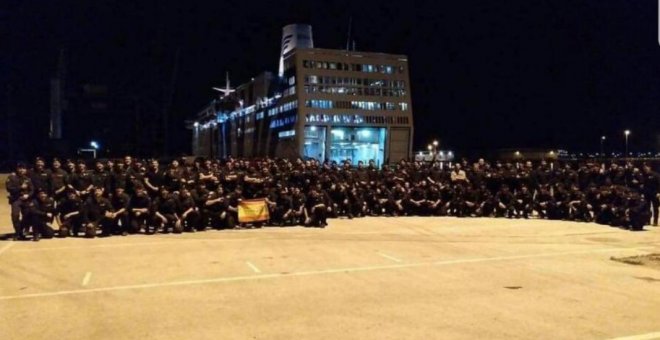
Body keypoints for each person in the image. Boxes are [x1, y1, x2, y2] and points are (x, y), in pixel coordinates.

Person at [6, 163, 33, 240]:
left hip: (25, 200)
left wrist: (28, 195)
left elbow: (32, 189)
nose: (22, 170)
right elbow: (9, 188)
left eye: (23, 168)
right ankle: (18, 233)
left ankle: (20, 231)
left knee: (27, 216)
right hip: (16, 199)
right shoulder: (12, 177)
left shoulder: (27, 179)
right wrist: (20, 187)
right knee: (15, 216)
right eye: (20, 168)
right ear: (17, 169)